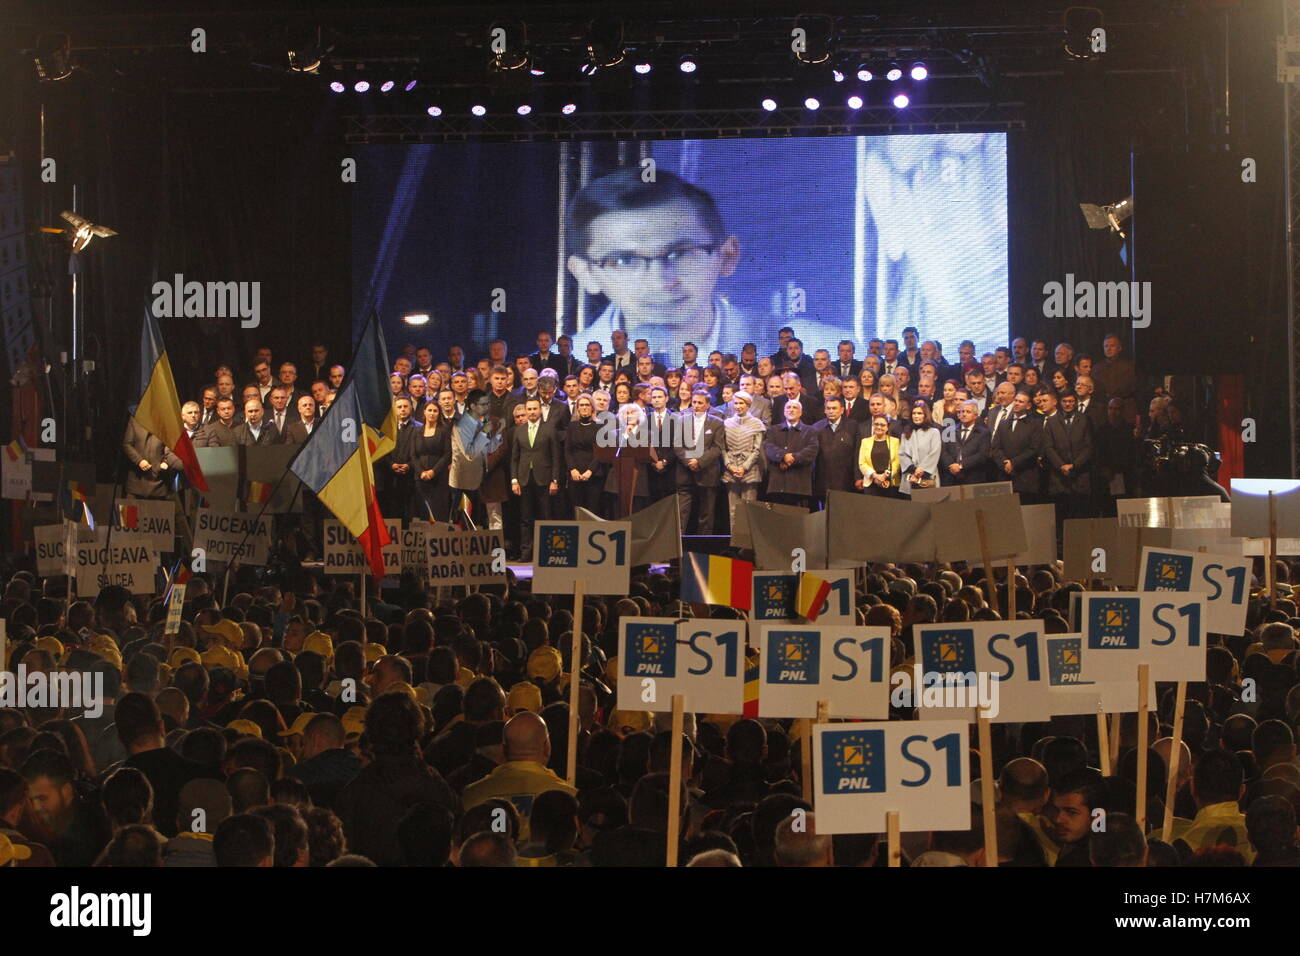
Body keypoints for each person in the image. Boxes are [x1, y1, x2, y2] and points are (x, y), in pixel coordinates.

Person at [565, 167, 841, 358]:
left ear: (727, 257)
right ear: (586, 273)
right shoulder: (553, 369)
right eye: (625, 260)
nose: (660, 282)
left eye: (681, 253)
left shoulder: (823, 350)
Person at [511, 397, 561, 561]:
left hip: (544, 479)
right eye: (529, 409)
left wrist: (555, 479)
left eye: (534, 409)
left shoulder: (549, 428)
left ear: (540, 410)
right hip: (524, 479)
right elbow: (515, 458)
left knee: (545, 516)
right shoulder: (519, 430)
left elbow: (556, 456)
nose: (532, 412)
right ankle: (526, 553)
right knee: (525, 518)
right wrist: (514, 480)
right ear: (525, 411)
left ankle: (547, 553)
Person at [673, 388, 725, 533]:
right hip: (685, 471)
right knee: (681, 511)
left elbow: (717, 447)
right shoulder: (682, 420)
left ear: (707, 405)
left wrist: (700, 462)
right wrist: (689, 461)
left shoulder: (717, 422)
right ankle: (678, 544)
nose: (696, 405)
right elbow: (677, 444)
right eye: (694, 402)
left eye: (700, 403)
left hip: (707, 472)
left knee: (707, 512)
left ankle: (705, 544)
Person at [1043, 392, 1094, 520]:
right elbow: (1048, 447)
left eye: (1071, 401)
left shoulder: (1084, 420)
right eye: (1065, 401)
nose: (1068, 404)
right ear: (1060, 403)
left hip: (1080, 475)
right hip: (1058, 477)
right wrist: (1061, 465)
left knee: (1080, 516)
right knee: (1061, 516)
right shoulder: (1051, 421)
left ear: (1075, 402)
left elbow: (1089, 446)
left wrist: (1074, 465)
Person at [763, 399, 818, 511]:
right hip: (777, 483)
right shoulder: (773, 430)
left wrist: (793, 458)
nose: (791, 410)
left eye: (795, 407)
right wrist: (783, 456)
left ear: (801, 412)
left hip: (799, 484)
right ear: (784, 412)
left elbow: (812, 450)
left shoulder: (810, 431)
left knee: (798, 520)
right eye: (788, 407)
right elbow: (769, 447)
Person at [721, 390, 766, 528]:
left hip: (749, 469)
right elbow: (722, 448)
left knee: (748, 509)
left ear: (748, 405)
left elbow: (756, 449)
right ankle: (734, 542)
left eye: (742, 403)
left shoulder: (757, 423)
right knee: (733, 510)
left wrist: (744, 467)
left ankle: (747, 545)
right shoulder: (727, 423)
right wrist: (729, 465)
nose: (738, 406)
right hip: (731, 469)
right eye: (736, 403)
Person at [991, 391, 1043, 502]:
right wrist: (1005, 462)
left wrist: (1013, 463)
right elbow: (996, 447)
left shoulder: (1035, 424)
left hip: (1025, 476)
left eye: (1021, 401)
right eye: (1016, 400)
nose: (1017, 403)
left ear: (1028, 406)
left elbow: (1034, 449)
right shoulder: (1003, 423)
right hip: (1005, 475)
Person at [810, 395, 859, 509]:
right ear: (824, 410)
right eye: (828, 408)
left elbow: (857, 452)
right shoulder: (816, 428)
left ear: (842, 410)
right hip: (822, 481)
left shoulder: (853, 426)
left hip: (846, 480)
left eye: (834, 408)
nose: (831, 411)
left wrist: (857, 477)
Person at [565, 394, 608, 518]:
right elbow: (567, 450)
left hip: (594, 474)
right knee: (576, 509)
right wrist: (572, 469)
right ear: (577, 408)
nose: (584, 408)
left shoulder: (600, 427)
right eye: (581, 405)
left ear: (592, 408)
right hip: (575, 474)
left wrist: (590, 471)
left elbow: (601, 452)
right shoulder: (572, 426)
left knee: (592, 509)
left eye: (587, 405)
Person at [411, 400, 453, 524]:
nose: (432, 413)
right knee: (422, 511)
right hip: (421, 477)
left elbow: (447, 454)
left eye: (435, 411)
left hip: (439, 477)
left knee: (439, 511)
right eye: (430, 410)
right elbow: (413, 455)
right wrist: (421, 472)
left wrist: (433, 472)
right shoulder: (417, 431)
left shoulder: (444, 431)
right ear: (424, 412)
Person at [121, 418, 183, 498]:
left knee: (161, 509)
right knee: (131, 508)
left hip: (160, 481)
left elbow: (172, 446)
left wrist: (166, 462)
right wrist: (139, 461)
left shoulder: (167, 423)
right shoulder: (135, 421)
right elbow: (126, 444)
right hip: (136, 481)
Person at [940, 400, 991, 487]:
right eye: (962, 411)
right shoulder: (949, 431)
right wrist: (951, 465)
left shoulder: (983, 433)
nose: (964, 414)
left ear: (975, 415)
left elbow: (982, 455)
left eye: (968, 412)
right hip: (951, 478)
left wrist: (961, 465)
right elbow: (943, 451)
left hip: (973, 478)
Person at [898, 399, 941, 495]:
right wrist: (913, 470)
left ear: (925, 415)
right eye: (914, 413)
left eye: (919, 413)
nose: (916, 416)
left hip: (928, 478)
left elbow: (934, 453)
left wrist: (922, 470)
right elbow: (902, 454)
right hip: (910, 477)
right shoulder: (906, 433)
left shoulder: (934, 432)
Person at [858, 415, 901, 497]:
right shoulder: (865, 442)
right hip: (871, 482)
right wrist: (875, 476)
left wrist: (885, 476)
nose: (879, 427)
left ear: (887, 427)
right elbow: (862, 463)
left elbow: (897, 462)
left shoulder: (895, 441)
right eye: (876, 424)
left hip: (889, 482)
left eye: (882, 425)